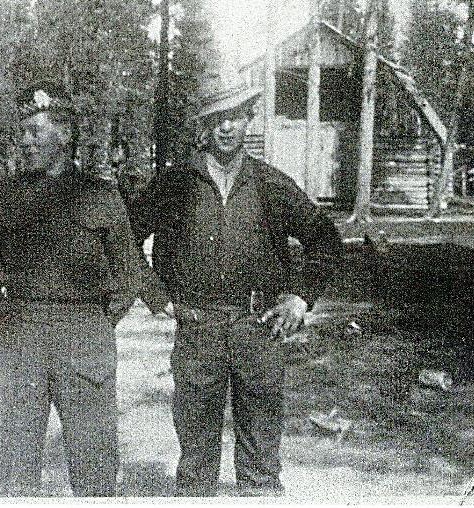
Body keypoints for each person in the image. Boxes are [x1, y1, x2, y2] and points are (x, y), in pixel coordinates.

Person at [130, 92, 343, 496]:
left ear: (248, 120)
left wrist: (300, 297)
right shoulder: (175, 183)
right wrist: (157, 294)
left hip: (258, 329)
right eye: (217, 119)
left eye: (235, 117)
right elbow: (123, 239)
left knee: (262, 464)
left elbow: (325, 238)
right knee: (195, 466)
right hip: (198, 328)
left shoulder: (270, 183)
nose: (226, 127)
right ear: (204, 127)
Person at [0, 80, 144, 497]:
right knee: (14, 468)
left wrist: (93, 321)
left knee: (95, 467)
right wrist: (6, 321)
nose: (23, 142)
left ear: (64, 134)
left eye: (33, 131)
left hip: (84, 337)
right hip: (18, 337)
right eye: (20, 131)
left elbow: (128, 274)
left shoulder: (100, 196)